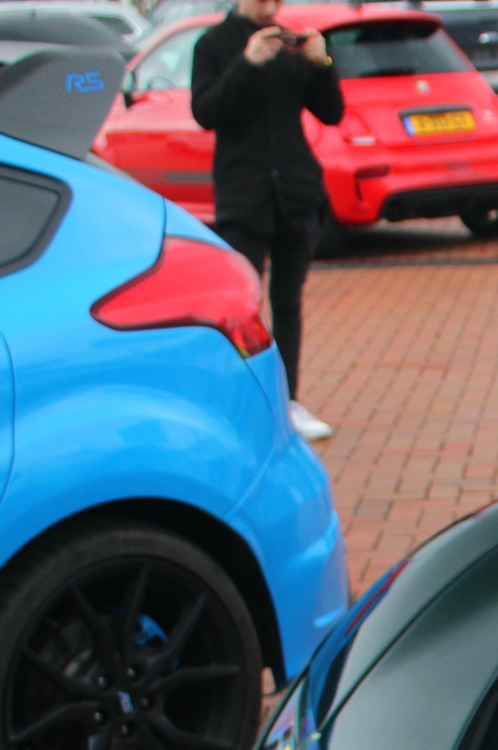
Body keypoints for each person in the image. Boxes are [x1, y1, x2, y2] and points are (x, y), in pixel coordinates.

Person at [192, 0, 341, 442]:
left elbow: (332, 112)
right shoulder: (213, 45)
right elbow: (206, 113)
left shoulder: (290, 45)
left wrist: (322, 63)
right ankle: (243, 406)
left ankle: (288, 401)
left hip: (295, 193)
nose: (272, 7)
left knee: (289, 303)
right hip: (244, 198)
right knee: (242, 308)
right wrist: (247, 64)